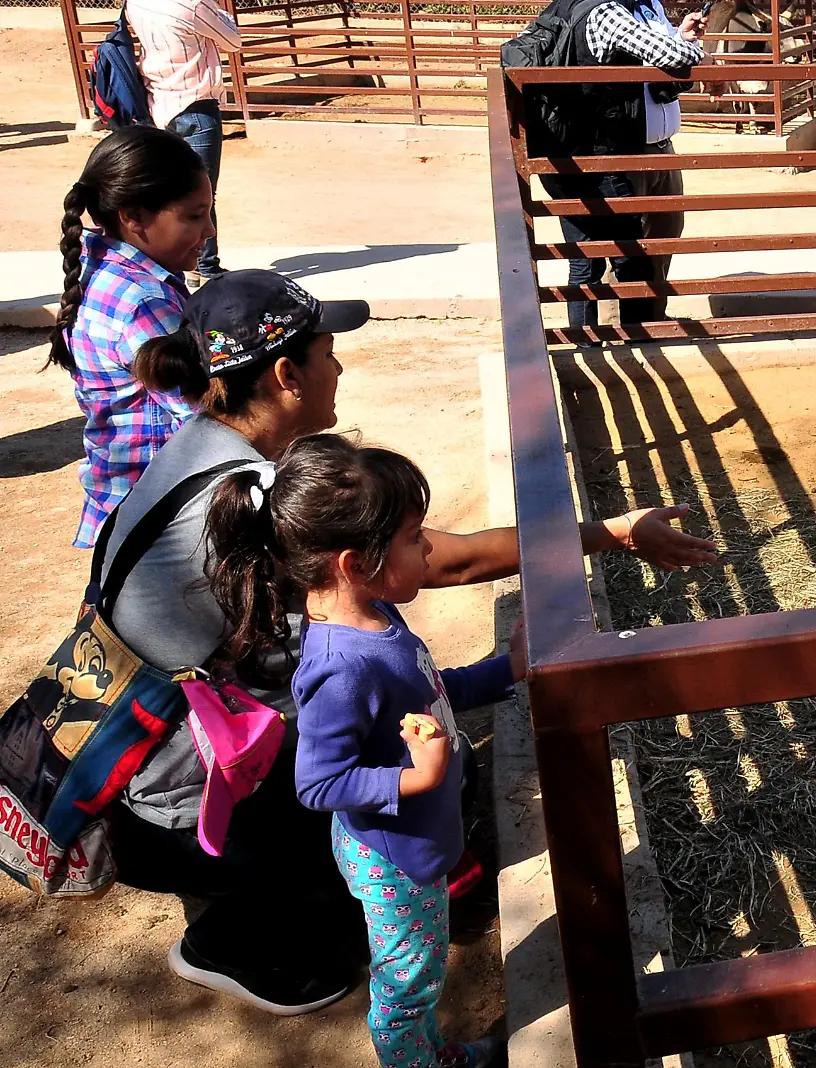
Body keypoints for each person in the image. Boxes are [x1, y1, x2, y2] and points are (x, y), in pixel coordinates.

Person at [106, 269, 716, 1015]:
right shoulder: (261, 501)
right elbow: (443, 559)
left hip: (135, 763)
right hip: (170, 812)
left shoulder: (202, 452)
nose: (341, 367)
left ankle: (270, 892)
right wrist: (610, 533)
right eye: (329, 352)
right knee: (424, 767)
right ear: (287, 374)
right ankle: (242, 942)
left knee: (407, 730)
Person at [200, 433, 513, 1068]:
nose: (428, 547)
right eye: (412, 537)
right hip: (395, 863)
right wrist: (413, 783)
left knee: (416, 965)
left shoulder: (377, 618)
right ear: (353, 562)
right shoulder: (341, 669)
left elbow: (429, 692)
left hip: (413, 845)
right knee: (408, 984)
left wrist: (510, 669)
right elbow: (316, 784)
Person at [47, 126, 211, 549]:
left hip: (119, 504)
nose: (209, 230)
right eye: (194, 216)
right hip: (160, 518)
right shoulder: (144, 302)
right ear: (134, 216)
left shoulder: (101, 268)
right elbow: (200, 415)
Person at [543, 0, 707, 332]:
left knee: (657, 237)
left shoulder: (646, 5)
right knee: (624, 253)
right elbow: (667, 55)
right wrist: (702, 57)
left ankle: (636, 325)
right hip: (618, 153)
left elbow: (651, 55)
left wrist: (678, 37)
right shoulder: (608, 12)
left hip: (650, 146)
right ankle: (630, 331)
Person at [124, 0, 241, 284]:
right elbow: (233, 40)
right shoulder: (193, 3)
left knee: (168, 193)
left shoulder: (135, 3)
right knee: (201, 195)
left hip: (159, 105)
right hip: (195, 106)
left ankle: (172, 260)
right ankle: (205, 266)